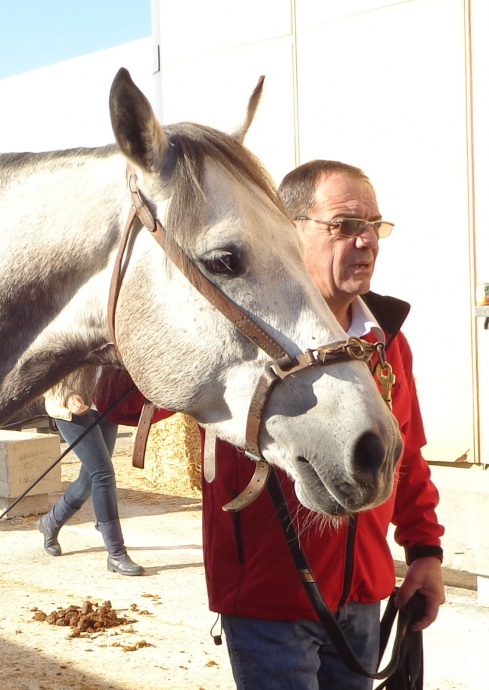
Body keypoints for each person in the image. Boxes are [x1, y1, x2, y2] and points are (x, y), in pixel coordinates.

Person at [103, 160, 445, 688]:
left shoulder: (387, 340)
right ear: (290, 229)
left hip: (361, 597)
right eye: (346, 225)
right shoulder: (238, 328)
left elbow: (408, 455)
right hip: (267, 602)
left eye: (374, 226)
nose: (367, 241)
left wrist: (424, 552)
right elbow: (130, 401)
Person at [37, 366, 144, 576]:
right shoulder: (64, 331)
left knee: (88, 480)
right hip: (73, 409)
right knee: (103, 474)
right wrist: (66, 396)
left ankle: (50, 522)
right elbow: (44, 366)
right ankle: (116, 553)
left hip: (107, 406)